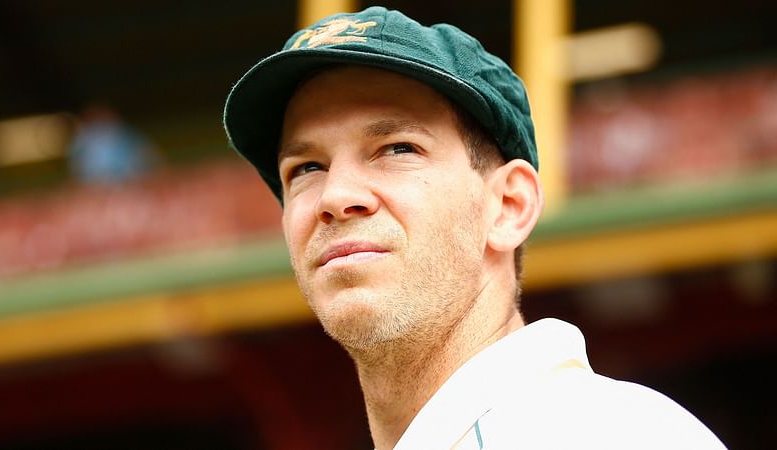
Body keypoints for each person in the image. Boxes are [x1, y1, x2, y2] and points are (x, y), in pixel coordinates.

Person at [223, 6, 726, 449]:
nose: (335, 196)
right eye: (306, 168)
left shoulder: (607, 435)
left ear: (508, 205)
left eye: (398, 148)